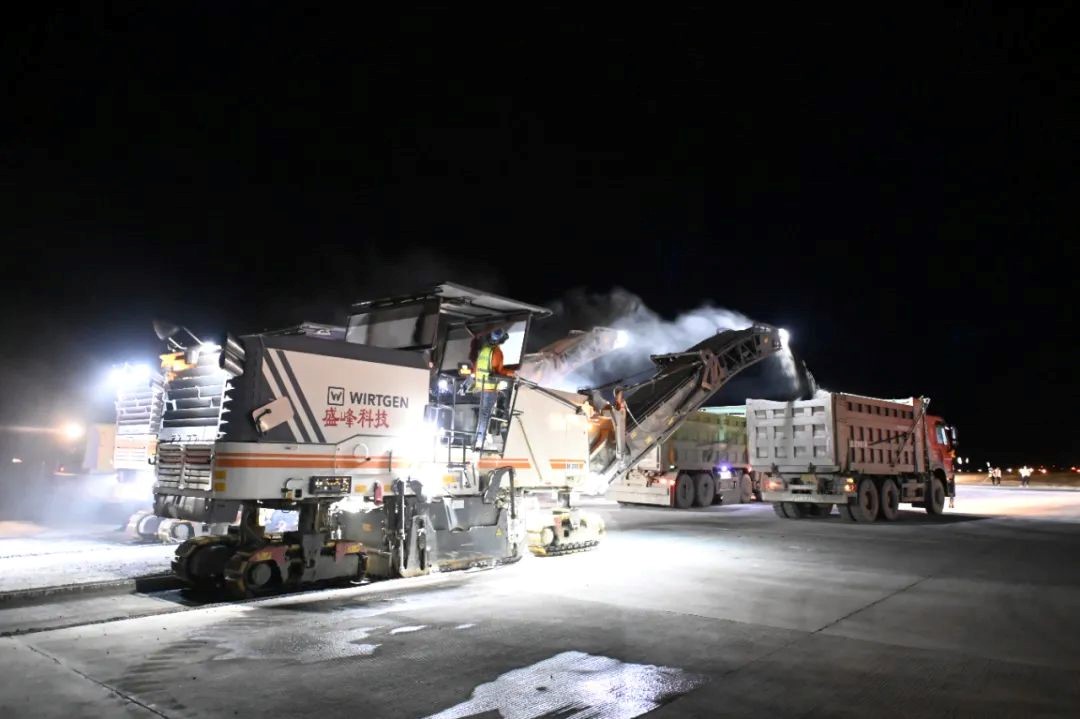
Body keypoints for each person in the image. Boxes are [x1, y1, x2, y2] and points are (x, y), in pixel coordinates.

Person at [471, 328, 515, 450]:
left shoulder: (485, 350)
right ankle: (480, 441)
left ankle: (479, 440)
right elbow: (498, 372)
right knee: (485, 415)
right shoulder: (496, 352)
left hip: (482, 386)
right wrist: (512, 373)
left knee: (483, 415)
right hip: (490, 388)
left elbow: (476, 367)